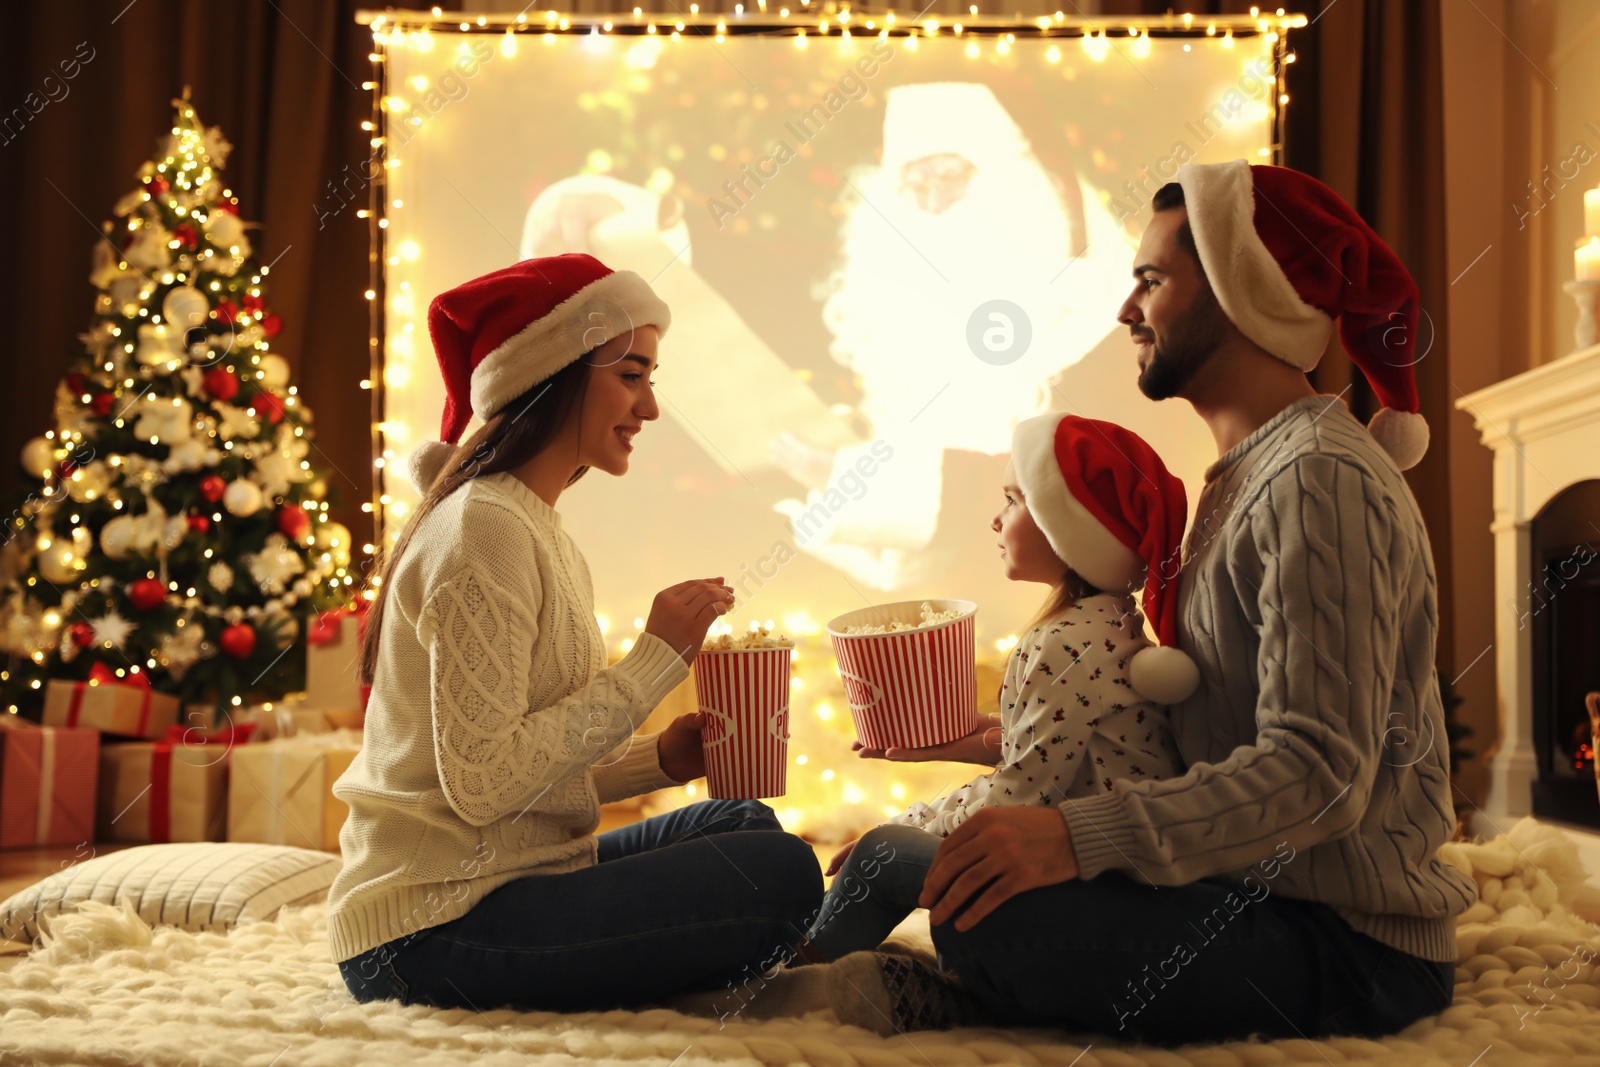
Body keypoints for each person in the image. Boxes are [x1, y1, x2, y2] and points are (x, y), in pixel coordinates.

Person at [774, 160, 1477, 1044]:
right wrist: (994, 750)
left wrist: (1071, 837)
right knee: (933, 861)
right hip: (1233, 892)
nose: (1123, 309)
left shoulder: (1320, 482)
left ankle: (972, 986)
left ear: (1239, 289)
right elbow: (1186, 737)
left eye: (1150, 280)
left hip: (1346, 946)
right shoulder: (1244, 481)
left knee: (983, 912)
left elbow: (1316, 773)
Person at [326, 253, 823, 1013]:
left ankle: (759, 937)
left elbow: (514, 773)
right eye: (632, 376)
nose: (650, 409)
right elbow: (486, 781)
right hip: (426, 931)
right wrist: (652, 662)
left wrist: (657, 760)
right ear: (555, 371)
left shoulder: (533, 524)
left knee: (744, 823)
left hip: (514, 873)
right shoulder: (483, 530)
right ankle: (785, 939)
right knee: (780, 871)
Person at [793, 414, 1191, 971]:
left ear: (1069, 526)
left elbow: (1018, 802)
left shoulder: (1068, 642)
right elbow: (1055, 758)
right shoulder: (1103, 623)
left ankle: (791, 980)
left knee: (883, 855)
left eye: (1013, 500)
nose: (995, 520)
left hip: (1104, 894)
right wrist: (966, 741)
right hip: (1105, 878)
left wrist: (907, 826)